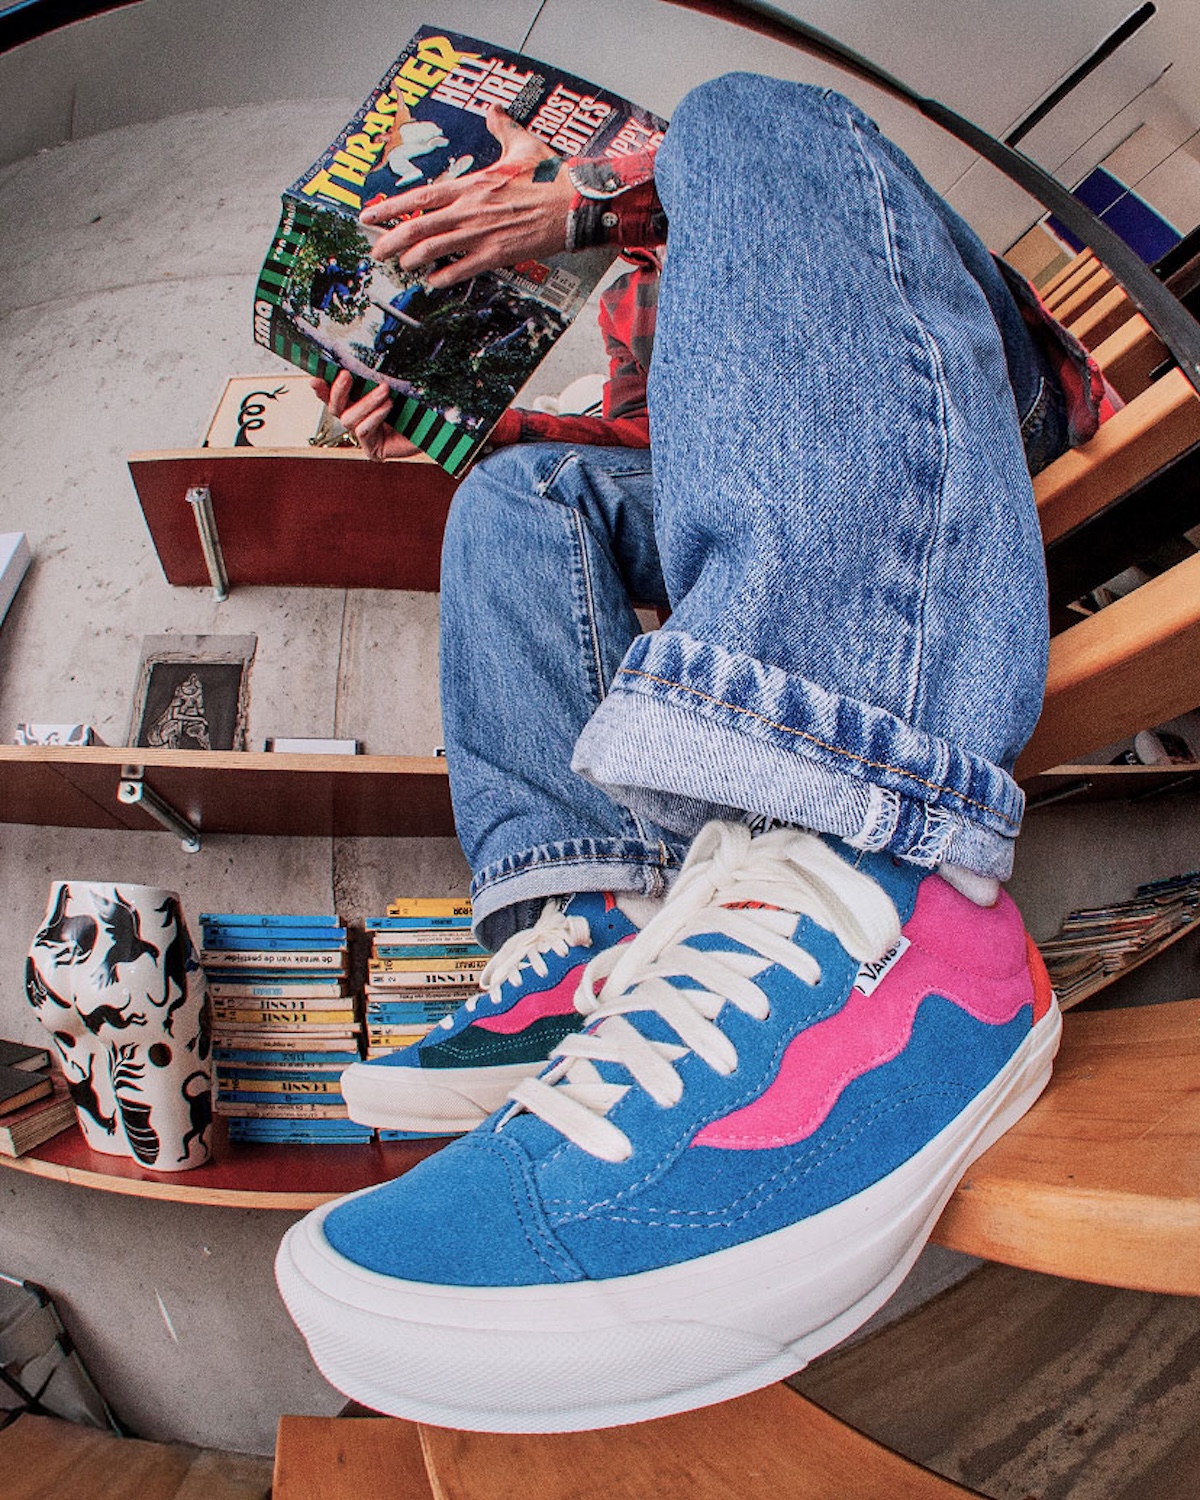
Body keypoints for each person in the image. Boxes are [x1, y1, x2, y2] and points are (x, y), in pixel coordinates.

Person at [277, 73, 1104, 1433]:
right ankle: (595, 917)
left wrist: (589, 204)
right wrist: (453, 421)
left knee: (743, 114)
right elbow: (678, 465)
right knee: (513, 493)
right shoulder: (633, 314)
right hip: (786, 465)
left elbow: (837, 338)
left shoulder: (746, 181)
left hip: (949, 395)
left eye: (522, 172)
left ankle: (881, 874)